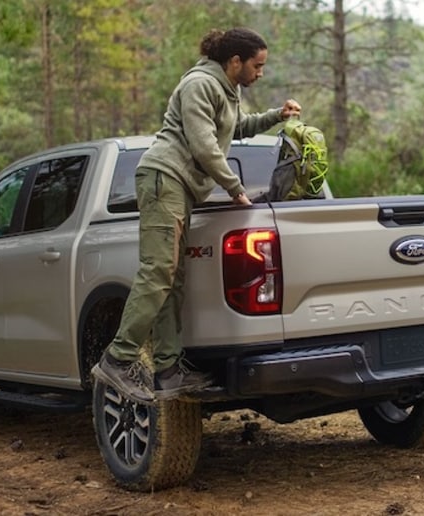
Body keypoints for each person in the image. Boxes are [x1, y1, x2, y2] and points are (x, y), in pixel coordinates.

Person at [92, 28, 302, 404]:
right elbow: (205, 144)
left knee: (172, 279)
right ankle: (118, 360)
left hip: (181, 188)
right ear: (235, 61)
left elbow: (234, 128)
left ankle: (168, 370)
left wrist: (275, 116)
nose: (261, 73)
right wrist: (237, 189)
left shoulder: (226, 89)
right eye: (258, 66)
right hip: (164, 178)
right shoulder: (199, 85)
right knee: (157, 272)